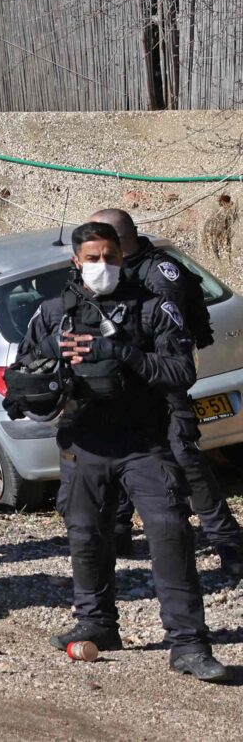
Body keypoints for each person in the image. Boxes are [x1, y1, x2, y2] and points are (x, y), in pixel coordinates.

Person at [5, 221, 227, 681]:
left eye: (109, 257)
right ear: (75, 261)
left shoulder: (151, 309)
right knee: (85, 533)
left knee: (169, 530)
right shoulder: (53, 315)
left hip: (145, 441)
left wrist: (120, 352)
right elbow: (19, 381)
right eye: (92, 258)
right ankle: (97, 623)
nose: (101, 266)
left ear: (122, 258)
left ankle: (188, 643)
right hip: (84, 441)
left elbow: (180, 371)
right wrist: (45, 369)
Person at [93, 207, 243, 577]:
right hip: (125, 384)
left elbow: (168, 337)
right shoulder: (111, 272)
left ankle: (230, 546)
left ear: (117, 241)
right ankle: (119, 533)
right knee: (121, 456)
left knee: (185, 459)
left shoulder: (160, 275)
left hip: (162, 382)